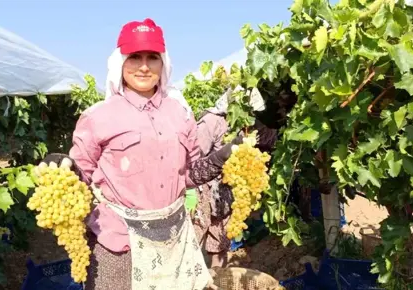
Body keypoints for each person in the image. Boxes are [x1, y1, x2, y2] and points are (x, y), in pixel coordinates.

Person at [44, 18, 244, 290]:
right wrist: (64, 168)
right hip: (118, 242)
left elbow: (190, 174)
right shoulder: (98, 117)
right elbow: (82, 179)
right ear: (120, 63)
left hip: (174, 238)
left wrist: (223, 156)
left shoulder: (180, 114)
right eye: (135, 57)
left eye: (153, 57)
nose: (144, 66)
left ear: (163, 63)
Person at [191, 86, 276, 270]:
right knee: (192, 243)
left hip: (227, 193)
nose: (252, 116)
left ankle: (217, 279)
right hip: (202, 192)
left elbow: (267, 144)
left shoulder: (255, 125)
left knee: (220, 242)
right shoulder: (212, 122)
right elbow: (193, 162)